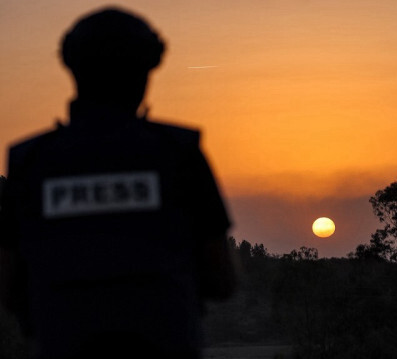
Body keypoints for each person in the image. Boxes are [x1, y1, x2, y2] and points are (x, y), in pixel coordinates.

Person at [0, 7, 235, 359]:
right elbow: (221, 279)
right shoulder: (179, 153)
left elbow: (8, 283)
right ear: (146, 73)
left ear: (72, 70)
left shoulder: (29, 163)